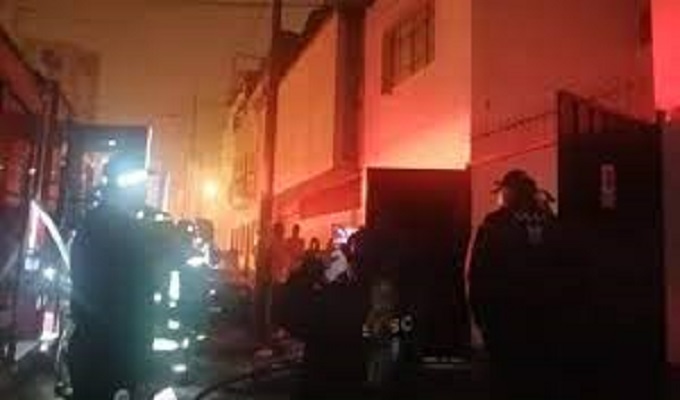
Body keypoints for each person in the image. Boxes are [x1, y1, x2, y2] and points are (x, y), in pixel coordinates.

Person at [468, 169, 571, 399]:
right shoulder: (551, 223)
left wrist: (480, 315)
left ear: (509, 193)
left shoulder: (495, 224)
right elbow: (567, 267)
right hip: (546, 319)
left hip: (505, 317)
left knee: (506, 380)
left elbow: (479, 273)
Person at [69, 153, 155, 400]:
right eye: (141, 184)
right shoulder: (121, 230)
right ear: (126, 187)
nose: (144, 191)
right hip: (112, 353)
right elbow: (133, 297)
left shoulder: (97, 223)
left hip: (96, 349)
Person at [293, 243, 368, 400]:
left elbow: (293, 316)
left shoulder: (319, 299)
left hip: (319, 383)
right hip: (349, 382)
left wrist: (318, 275)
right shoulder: (360, 298)